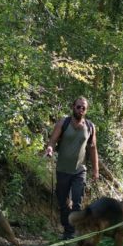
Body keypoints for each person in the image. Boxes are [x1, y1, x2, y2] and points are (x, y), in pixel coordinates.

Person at [44, 96, 99, 238]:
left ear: (86, 111)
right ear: (73, 107)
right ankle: (67, 231)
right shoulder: (64, 122)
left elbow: (93, 149)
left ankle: (75, 232)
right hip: (62, 170)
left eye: (84, 108)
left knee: (77, 203)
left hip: (79, 171)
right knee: (63, 204)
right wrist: (50, 149)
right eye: (78, 106)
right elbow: (52, 141)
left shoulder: (90, 127)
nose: (81, 109)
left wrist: (96, 171)